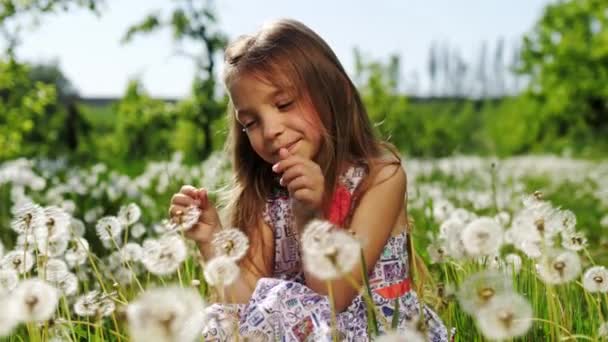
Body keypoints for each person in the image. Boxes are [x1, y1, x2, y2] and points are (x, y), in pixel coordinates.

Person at [169, 18, 448, 341]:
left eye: (284, 104)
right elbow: (247, 310)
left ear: (334, 92)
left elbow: (336, 298)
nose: (271, 129)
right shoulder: (267, 197)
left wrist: (310, 218)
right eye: (251, 122)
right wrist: (210, 240)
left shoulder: (380, 179)